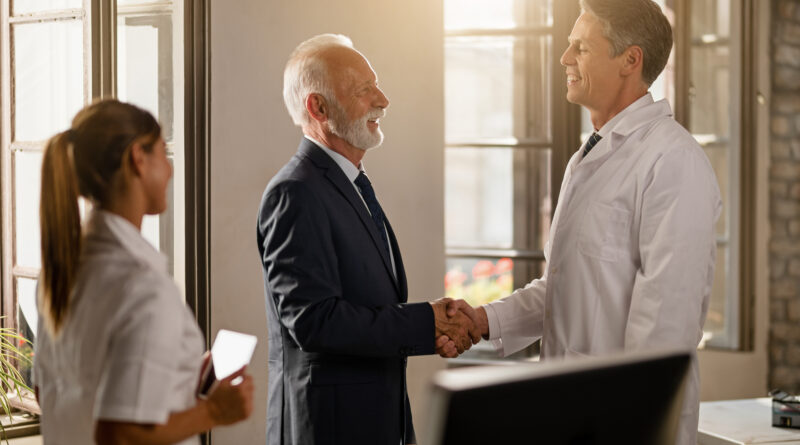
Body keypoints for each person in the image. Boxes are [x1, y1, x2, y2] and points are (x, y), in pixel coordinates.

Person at [445, 1, 721, 444]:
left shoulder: (674, 161)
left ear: (631, 60)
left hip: (626, 425)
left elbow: (664, 332)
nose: (564, 58)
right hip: (572, 413)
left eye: (581, 48)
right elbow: (565, 284)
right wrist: (482, 320)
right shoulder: (587, 156)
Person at [257, 34, 478, 445]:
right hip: (327, 431)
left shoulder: (350, 184)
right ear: (317, 107)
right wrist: (427, 322)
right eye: (364, 90)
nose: (383, 100)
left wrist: (429, 325)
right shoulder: (295, 193)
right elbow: (313, 321)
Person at [34, 100, 254, 445]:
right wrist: (213, 412)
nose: (169, 169)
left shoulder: (63, 270)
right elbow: (119, 435)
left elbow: (51, 392)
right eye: (163, 152)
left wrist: (178, 382)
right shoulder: (142, 286)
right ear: (138, 158)